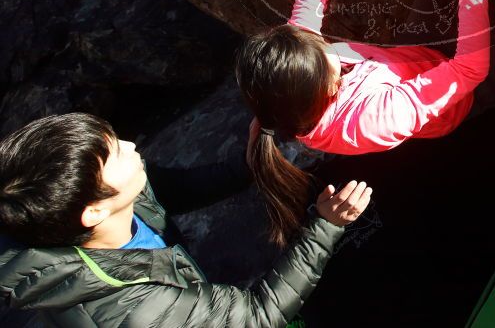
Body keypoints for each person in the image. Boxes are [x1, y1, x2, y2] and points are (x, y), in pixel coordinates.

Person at [236, 0, 491, 246]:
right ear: (327, 88)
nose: (325, 44)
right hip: (463, 97)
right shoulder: (368, 123)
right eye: (326, 53)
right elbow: (469, 71)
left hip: (414, 55)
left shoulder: (294, 74)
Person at [0, 113, 373, 327]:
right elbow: (259, 314)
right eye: (116, 153)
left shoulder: (79, 209)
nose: (132, 146)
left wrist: (248, 165)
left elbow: (174, 191)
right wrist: (326, 225)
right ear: (94, 211)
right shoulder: (129, 310)